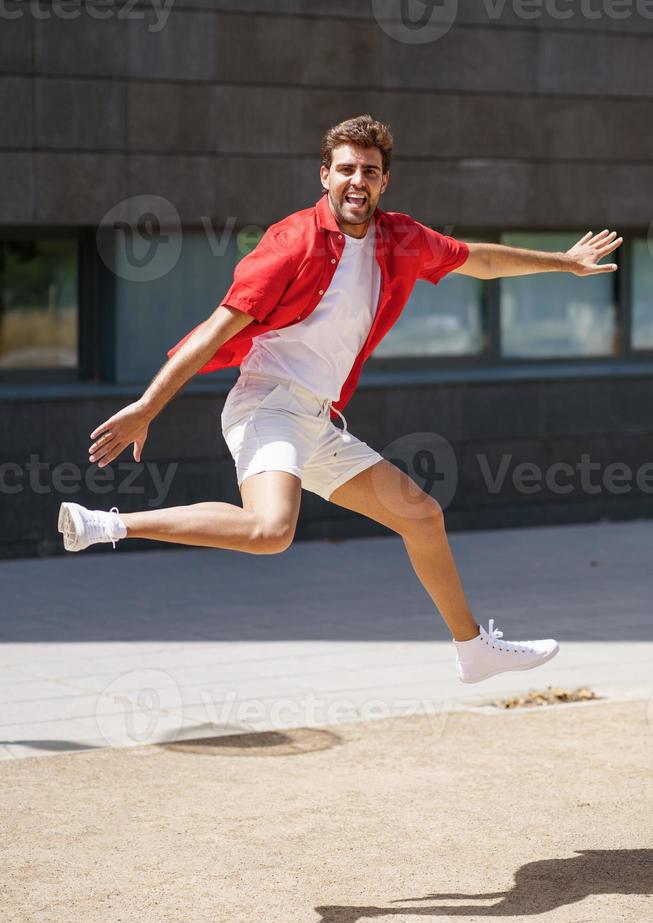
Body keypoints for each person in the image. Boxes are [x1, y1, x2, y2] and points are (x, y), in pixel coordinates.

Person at [58, 115, 622, 683]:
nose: (358, 181)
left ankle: (472, 649)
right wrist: (147, 407)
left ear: (384, 182)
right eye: (346, 169)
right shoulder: (290, 242)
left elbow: (479, 260)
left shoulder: (400, 238)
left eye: (369, 172)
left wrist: (564, 263)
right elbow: (215, 330)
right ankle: (107, 525)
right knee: (271, 531)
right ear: (324, 175)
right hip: (267, 405)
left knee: (421, 515)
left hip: (316, 419)